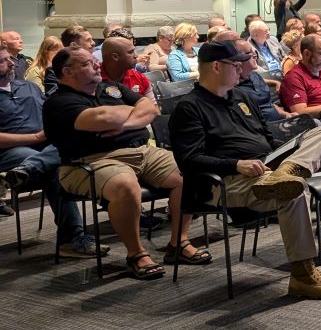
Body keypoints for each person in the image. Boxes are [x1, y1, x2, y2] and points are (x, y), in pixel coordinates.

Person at [168, 40, 321, 299]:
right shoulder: (189, 107)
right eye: (235, 64)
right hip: (228, 180)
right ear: (216, 67)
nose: (242, 69)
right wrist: (236, 164)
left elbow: (267, 138)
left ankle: (287, 171)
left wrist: (283, 156)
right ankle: (302, 275)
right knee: (294, 191)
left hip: (267, 167)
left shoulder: (243, 97)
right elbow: (189, 160)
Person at [43, 47, 207, 279]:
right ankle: (136, 254)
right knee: (125, 186)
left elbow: (151, 108)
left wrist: (125, 124)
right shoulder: (59, 102)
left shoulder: (111, 88)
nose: (96, 65)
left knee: (189, 170)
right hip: (91, 161)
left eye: (93, 61)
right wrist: (133, 111)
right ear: (67, 71)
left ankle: (178, 243)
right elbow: (102, 118)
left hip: (141, 151)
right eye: (87, 64)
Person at [0, 48, 108, 250]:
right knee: (55, 169)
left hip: (46, 145)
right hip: (10, 150)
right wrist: (33, 137)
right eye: (3, 61)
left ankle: (27, 169)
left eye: (10, 59)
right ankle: (72, 238)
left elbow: (53, 113)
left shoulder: (28, 87)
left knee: (72, 146)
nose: (13, 63)